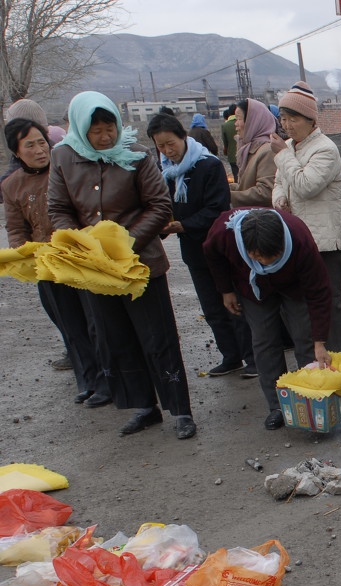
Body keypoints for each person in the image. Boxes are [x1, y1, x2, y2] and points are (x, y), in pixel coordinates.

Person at [47, 92, 196, 439]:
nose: (104, 137)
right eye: (95, 130)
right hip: (95, 269)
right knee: (117, 337)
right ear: (81, 128)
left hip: (140, 265)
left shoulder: (138, 156)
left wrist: (122, 244)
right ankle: (144, 407)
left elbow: (159, 205)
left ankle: (180, 410)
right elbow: (58, 209)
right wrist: (84, 244)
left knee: (158, 337)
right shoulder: (64, 157)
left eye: (109, 128)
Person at [3, 116, 108, 405]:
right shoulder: (12, 185)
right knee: (70, 325)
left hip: (80, 259)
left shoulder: (67, 170)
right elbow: (15, 227)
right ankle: (87, 380)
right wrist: (22, 251)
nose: (39, 150)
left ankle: (107, 381)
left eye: (42, 143)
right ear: (16, 152)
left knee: (94, 322)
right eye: (30, 145)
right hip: (46, 265)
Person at [204, 208, 332, 430]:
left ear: (282, 245)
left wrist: (319, 342)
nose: (263, 262)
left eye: (270, 258)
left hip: (295, 286)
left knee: (305, 337)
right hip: (252, 288)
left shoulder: (298, 237)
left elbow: (319, 292)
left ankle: (312, 399)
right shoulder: (225, 233)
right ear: (246, 248)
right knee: (264, 340)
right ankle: (279, 406)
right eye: (256, 257)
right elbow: (212, 255)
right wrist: (225, 289)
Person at [148, 111, 253, 378]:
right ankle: (230, 356)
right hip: (194, 251)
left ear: (183, 136)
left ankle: (252, 357)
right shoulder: (167, 172)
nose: (167, 150)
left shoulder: (209, 165)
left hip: (219, 247)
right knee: (211, 306)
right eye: (160, 146)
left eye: (171, 143)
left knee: (234, 302)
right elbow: (163, 207)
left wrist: (184, 224)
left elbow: (218, 208)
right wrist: (164, 225)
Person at [271, 81, 341, 354]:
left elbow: (306, 186)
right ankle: (314, 367)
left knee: (329, 305)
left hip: (325, 242)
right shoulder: (291, 147)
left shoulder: (324, 149)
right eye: (283, 118)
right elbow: (280, 183)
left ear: (310, 119)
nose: (287, 125)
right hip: (299, 241)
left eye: (293, 118)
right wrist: (280, 200)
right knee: (302, 306)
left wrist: (283, 156)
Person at [229, 99, 276, 207]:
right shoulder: (249, 149)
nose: (235, 124)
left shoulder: (268, 151)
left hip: (263, 220)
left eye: (239, 119)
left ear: (252, 121)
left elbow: (265, 193)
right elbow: (246, 186)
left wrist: (229, 196)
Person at [221, 105, 239, 181]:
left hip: (232, 154)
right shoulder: (243, 122)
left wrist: (225, 151)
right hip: (245, 153)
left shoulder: (225, 125)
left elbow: (225, 142)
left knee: (235, 174)